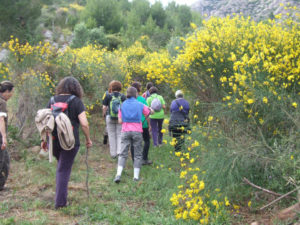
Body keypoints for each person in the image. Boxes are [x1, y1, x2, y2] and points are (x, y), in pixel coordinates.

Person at [43, 76, 92, 209]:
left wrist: (44, 140)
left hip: (53, 140)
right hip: (70, 141)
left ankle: (61, 195)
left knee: (62, 167)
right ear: (76, 88)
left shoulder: (52, 100)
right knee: (63, 170)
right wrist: (88, 139)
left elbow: (45, 119)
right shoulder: (76, 101)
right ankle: (60, 203)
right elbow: (84, 123)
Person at [114, 87, 151, 183]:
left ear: (127, 94)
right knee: (138, 154)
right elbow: (150, 112)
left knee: (123, 154)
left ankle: (118, 175)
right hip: (137, 131)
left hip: (125, 131)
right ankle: (135, 177)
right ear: (136, 94)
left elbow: (120, 121)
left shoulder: (122, 105)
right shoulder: (140, 104)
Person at [102, 80, 126, 158]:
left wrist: (104, 114)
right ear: (120, 88)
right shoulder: (123, 96)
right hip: (120, 117)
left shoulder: (108, 96)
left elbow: (104, 107)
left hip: (109, 116)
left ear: (111, 87)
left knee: (111, 135)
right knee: (119, 134)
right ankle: (119, 152)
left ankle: (113, 154)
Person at [130, 82, 152, 165]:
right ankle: (144, 159)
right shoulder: (142, 99)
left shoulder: (127, 100)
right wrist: (150, 124)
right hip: (143, 124)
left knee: (133, 143)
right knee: (146, 141)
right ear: (138, 89)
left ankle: (134, 161)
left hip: (132, 125)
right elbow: (147, 113)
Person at [0, 81, 14, 191]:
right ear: (7, 91)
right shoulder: (2, 103)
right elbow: (1, 120)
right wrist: (4, 138)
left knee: (5, 160)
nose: (12, 95)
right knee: (3, 161)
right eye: (12, 92)